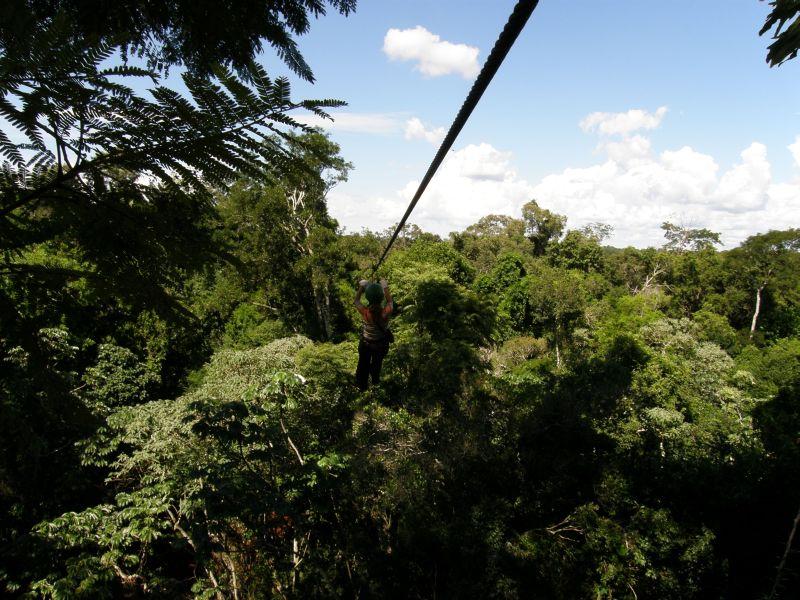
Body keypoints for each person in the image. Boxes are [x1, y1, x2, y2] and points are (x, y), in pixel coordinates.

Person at [354, 278, 393, 391]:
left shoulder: (365, 312)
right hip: (380, 344)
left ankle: (362, 387)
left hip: (366, 343)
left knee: (363, 365)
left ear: (368, 298)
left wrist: (362, 286)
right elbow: (390, 302)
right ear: (381, 298)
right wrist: (385, 286)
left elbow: (356, 301)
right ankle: (375, 384)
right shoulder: (385, 312)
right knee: (377, 365)